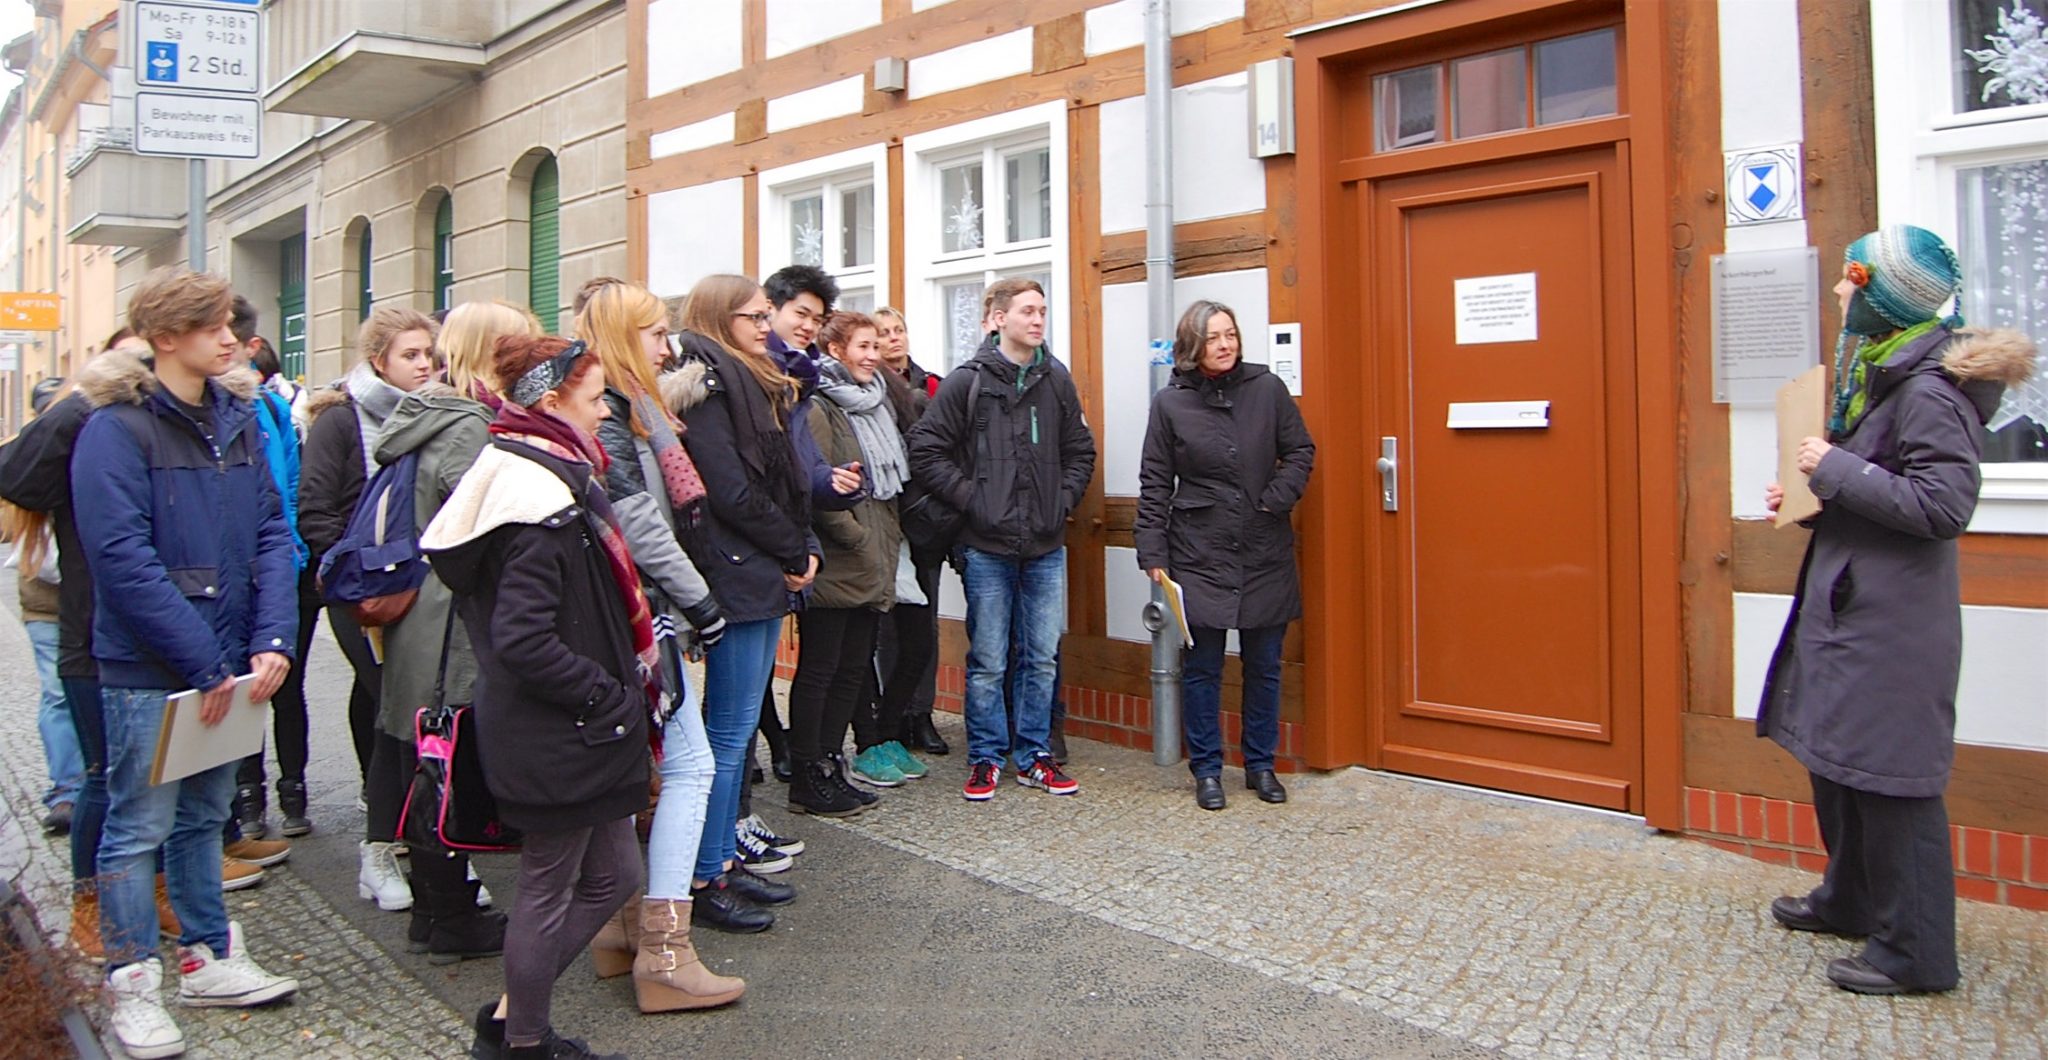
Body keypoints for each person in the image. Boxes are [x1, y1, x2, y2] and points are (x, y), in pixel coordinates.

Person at [1759, 225, 2037, 996]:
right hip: (1852, 602)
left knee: (1890, 779)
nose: (1842, 293)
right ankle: (1850, 900)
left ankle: (1914, 953)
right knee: (1839, 762)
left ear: (1881, 296)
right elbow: (1877, 489)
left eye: (1854, 280)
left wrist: (1837, 467)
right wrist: (1811, 498)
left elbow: (1944, 505)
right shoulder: (1881, 374)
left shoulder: (1927, 392)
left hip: (1890, 618)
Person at [71, 267, 301, 1058]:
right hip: (151, 667)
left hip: (230, 661)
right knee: (136, 827)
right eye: (211, 324)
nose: (231, 336)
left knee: (207, 816)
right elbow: (120, 558)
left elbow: (273, 531)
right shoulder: (115, 428)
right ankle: (131, 980)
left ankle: (208, 958)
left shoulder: (237, 416)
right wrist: (206, 662)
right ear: (166, 337)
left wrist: (272, 640)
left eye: (231, 322)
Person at [424, 334, 648, 1060]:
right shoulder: (538, 502)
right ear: (549, 403)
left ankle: (512, 1014)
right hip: (562, 729)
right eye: (593, 397)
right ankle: (523, 1040)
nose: (605, 409)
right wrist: (606, 697)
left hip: (581, 726)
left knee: (617, 873)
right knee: (550, 889)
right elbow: (521, 640)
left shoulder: (544, 473)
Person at [576, 279, 747, 1011]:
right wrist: (701, 601)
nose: (666, 346)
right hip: (641, 617)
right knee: (691, 766)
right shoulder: (612, 412)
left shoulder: (628, 408)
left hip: (639, 614)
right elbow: (637, 522)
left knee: (647, 772)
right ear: (620, 336)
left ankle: (621, 932)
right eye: (652, 332)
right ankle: (666, 950)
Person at [664, 274, 823, 932]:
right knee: (727, 736)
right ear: (715, 318)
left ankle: (722, 859)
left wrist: (799, 543)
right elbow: (729, 490)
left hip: (761, 564)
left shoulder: (750, 378)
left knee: (735, 736)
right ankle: (705, 873)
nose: (766, 326)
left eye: (766, 315)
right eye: (752, 316)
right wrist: (792, 549)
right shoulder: (707, 384)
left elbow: (785, 477)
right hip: (738, 569)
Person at [362, 302, 516, 962]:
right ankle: (449, 915)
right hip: (447, 619)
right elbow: (475, 523)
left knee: (430, 764)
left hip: (428, 617)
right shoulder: (467, 425)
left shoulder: (439, 416)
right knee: (442, 769)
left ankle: (436, 912)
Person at [907, 278, 1095, 801]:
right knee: (988, 658)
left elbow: (1081, 449)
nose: (1038, 320)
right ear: (998, 318)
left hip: (1044, 545)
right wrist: (973, 499)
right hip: (984, 547)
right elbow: (925, 450)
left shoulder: (1055, 379)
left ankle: (1035, 753)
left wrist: (1062, 499)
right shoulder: (967, 382)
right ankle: (986, 756)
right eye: (1027, 311)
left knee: (1041, 656)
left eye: (1042, 310)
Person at [1135, 300, 1316, 811]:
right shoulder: (1171, 404)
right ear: (1193, 346)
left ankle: (1261, 764)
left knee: (1265, 665)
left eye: (1231, 334)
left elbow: (1300, 450)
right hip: (1199, 551)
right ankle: (1208, 770)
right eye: (1214, 337)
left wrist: (1274, 499)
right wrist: (1152, 549)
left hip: (1263, 548)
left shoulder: (1267, 390)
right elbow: (1154, 481)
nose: (1225, 344)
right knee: (1203, 667)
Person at [300, 307, 438, 812]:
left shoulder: (432, 415)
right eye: (410, 355)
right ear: (379, 361)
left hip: (420, 582)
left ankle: (380, 796)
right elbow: (314, 508)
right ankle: (391, 813)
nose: (424, 364)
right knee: (388, 692)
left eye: (428, 354)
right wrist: (352, 574)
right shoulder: (339, 420)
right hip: (361, 588)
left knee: (380, 692)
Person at [788, 311, 915, 812]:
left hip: (872, 557)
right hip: (839, 561)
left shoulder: (876, 404)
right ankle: (806, 774)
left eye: (875, 346)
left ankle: (829, 764)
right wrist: (859, 538)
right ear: (835, 349)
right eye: (862, 346)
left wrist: (878, 545)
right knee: (821, 670)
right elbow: (813, 486)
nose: (872, 355)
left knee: (850, 670)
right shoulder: (820, 407)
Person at [230, 297, 315, 842]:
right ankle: (248, 799)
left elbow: (289, 489)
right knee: (241, 692)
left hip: (285, 569)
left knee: (288, 684)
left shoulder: (273, 409)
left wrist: (292, 553)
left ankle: (294, 791)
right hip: (236, 577)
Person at [871, 307, 947, 757]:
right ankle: (892, 712)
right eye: (882, 333)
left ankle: (922, 713)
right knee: (888, 626)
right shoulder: (871, 391)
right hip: (885, 521)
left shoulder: (933, 386)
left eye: (899, 330)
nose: (893, 339)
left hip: (924, 522)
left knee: (925, 622)